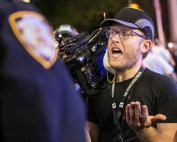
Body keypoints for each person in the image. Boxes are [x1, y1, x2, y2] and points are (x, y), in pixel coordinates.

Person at [86, 7, 177, 142]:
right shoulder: (97, 88)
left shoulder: (163, 86)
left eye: (124, 34)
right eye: (112, 32)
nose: (114, 39)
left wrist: (144, 131)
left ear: (145, 46)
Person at [0, 0, 86, 142]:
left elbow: (40, 107)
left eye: (67, 40)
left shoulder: (10, 15)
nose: (63, 44)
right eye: (60, 39)